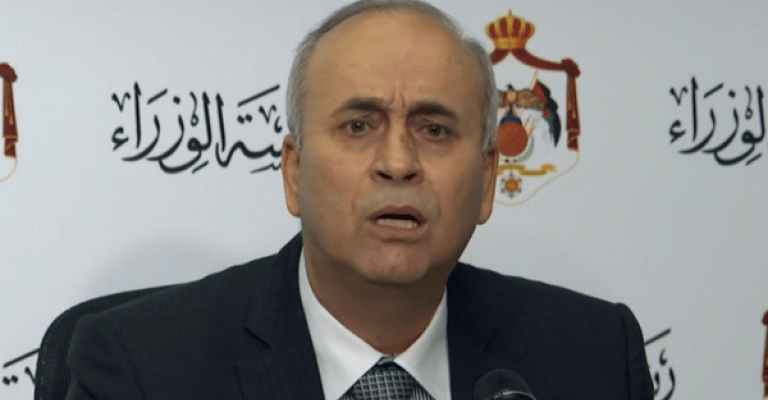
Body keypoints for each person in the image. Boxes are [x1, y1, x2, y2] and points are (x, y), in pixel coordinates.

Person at [65, 1, 654, 399]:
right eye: (358, 126)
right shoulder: (142, 369)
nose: (398, 162)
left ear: (486, 180)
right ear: (294, 173)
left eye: (434, 129)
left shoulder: (594, 358)